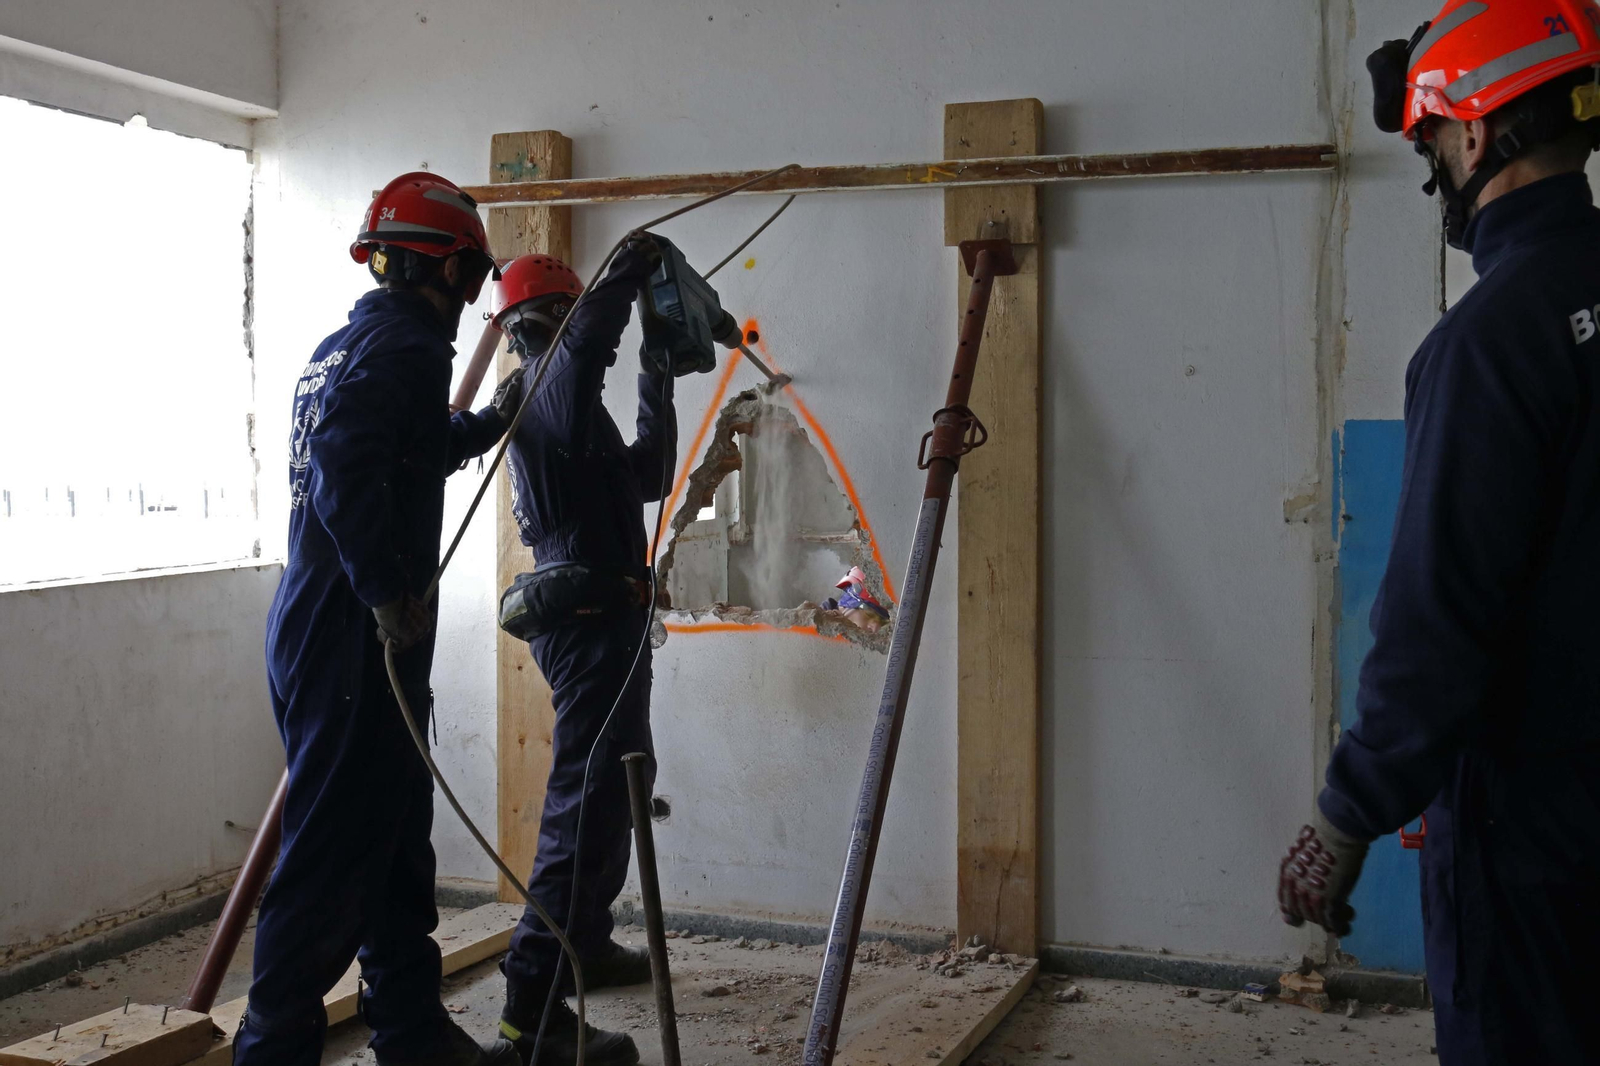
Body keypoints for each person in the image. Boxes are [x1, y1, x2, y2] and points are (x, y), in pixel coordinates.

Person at [1277, 3, 1600, 1062]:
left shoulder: (1488, 342)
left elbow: (1434, 625)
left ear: (1470, 134)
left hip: (1534, 829)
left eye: (1427, 145)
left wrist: (1345, 814)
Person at [237, 172, 524, 1066]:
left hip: (322, 628)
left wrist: (483, 427)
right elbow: (342, 460)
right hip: (353, 636)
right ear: (440, 269)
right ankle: (272, 1046)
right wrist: (387, 596)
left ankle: (408, 1026)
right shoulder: (408, 345)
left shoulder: (345, 346)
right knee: (330, 851)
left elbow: (401, 449)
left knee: (398, 835)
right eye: (470, 280)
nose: (467, 301)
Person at [487, 245, 678, 1066]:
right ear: (541, 322)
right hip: (587, 616)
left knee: (619, 782)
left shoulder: (570, 410)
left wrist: (658, 379)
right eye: (566, 316)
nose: (578, 328)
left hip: (612, 618)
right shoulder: (543, 387)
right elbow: (588, 342)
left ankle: (586, 944)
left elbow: (648, 475)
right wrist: (626, 275)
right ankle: (529, 1010)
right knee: (583, 801)